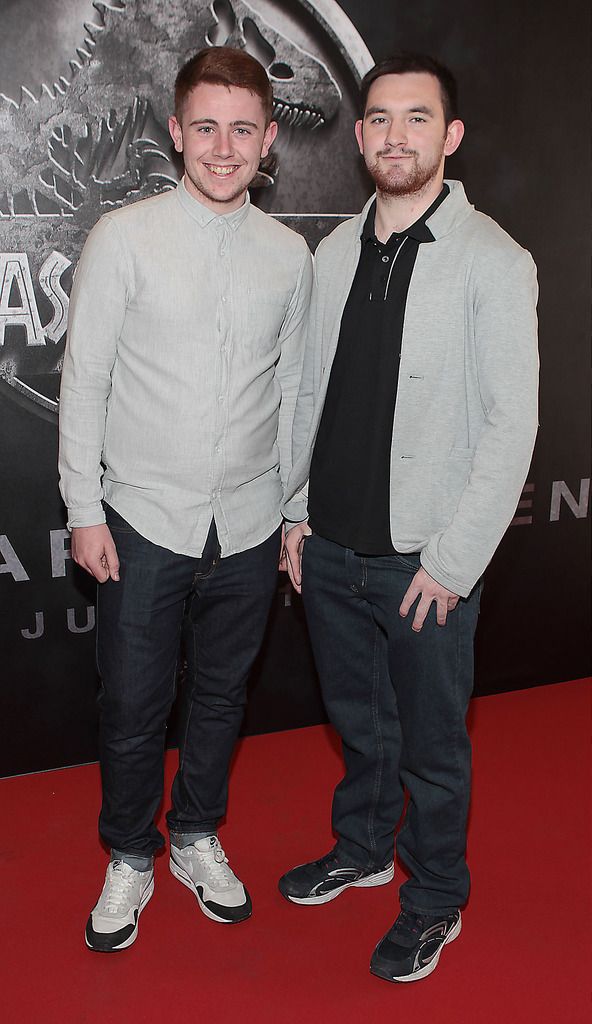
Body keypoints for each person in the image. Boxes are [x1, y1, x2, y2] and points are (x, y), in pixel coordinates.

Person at [279, 52, 538, 983]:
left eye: (417, 118)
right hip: (332, 546)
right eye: (381, 118)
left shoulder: (495, 262)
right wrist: (296, 516)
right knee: (361, 728)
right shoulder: (333, 250)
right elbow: (310, 393)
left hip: (426, 562)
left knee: (432, 750)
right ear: (360, 137)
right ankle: (363, 849)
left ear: (450, 136)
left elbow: (513, 426)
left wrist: (455, 562)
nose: (396, 135)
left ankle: (434, 900)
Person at [58, 46, 312, 952]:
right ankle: (130, 853)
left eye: (243, 129)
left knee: (219, 697)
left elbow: (294, 393)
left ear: (269, 139)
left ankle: (197, 836)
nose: (223, 146)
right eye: (205, 126)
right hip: (141, 519)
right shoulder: (122, 238)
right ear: (176, 131)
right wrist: (83, 509)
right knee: (130, 703)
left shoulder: (291, 256)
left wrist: (295, 510)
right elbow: (83, 380)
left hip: (248, 521)